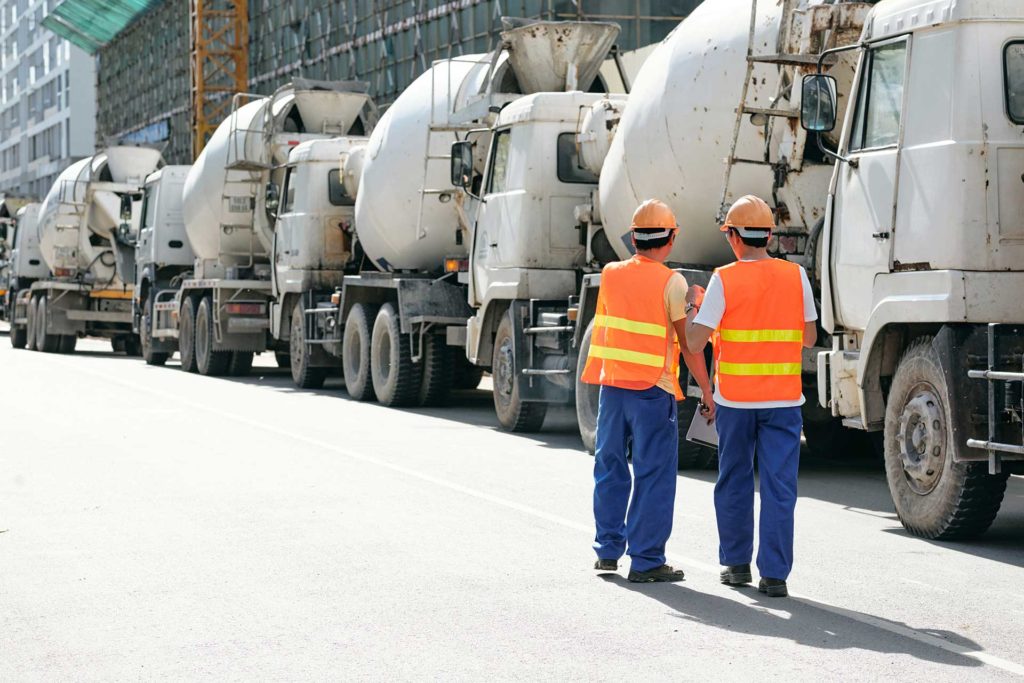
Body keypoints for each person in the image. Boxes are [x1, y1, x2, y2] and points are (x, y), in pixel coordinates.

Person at [683, 195, 817, 598]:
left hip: (736, 402)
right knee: (780, 487)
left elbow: (693, 341)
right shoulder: (796, 276)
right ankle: (774, 576)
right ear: (769, 236)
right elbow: (809, 338)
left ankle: (736, 565)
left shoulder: (724, 279)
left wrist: (695, 306)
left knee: (735, 480)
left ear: (734, 237)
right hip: (784, 401)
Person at [582, 198, 714, 583]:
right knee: (653, 474)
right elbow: (690, 345)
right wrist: (705, 390)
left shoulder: (610, 273)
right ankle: (646, 560)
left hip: (612, 387)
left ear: (634, 237)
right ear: (671, 238)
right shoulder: (672, 282)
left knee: (609, 466)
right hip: (652, 391)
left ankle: (607, 552)